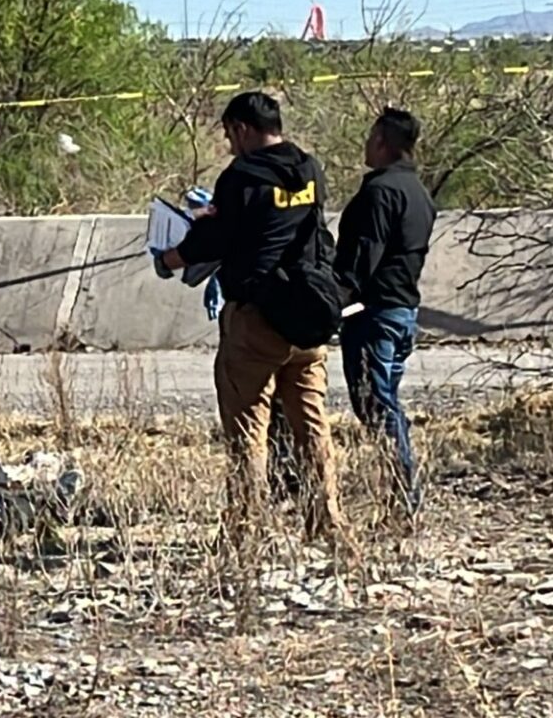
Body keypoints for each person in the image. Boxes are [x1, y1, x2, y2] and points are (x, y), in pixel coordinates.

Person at [156, 91, 348, 556]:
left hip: (256, 321)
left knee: (247, 431)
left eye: (228, 134)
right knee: (312, 427)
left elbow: (216, 239)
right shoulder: (309, 169)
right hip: (308, 320)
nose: (228, 144)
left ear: (242, 128)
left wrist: (171, 257)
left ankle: (245, 531)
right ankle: (328, 524)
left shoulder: (241, 177)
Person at [334, 107, 436, 516]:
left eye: (370, 136)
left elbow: (362, 258)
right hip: (402, 311)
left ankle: (403, 498)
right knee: (386, 401)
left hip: (373, 314)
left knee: (376, 405)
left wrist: (331, 301)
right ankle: (398, 489)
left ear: (382, 142)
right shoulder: (419, 194)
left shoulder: (379, 193)